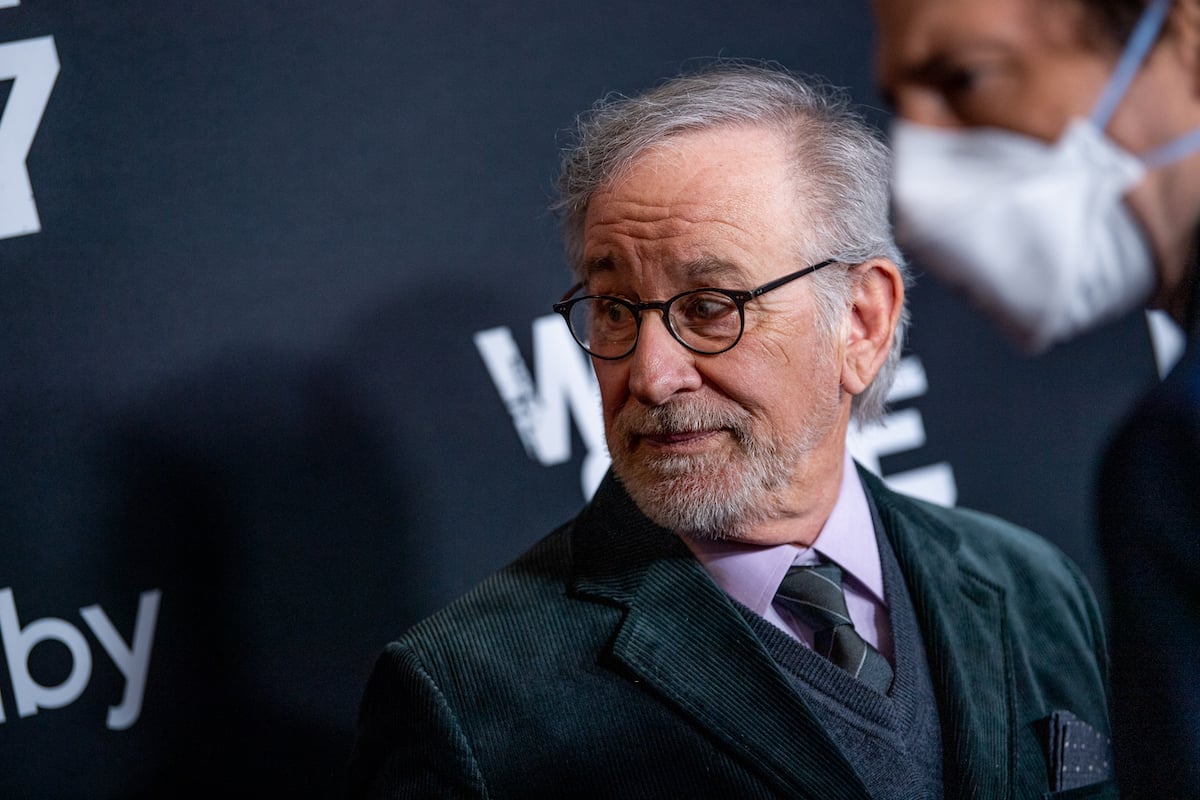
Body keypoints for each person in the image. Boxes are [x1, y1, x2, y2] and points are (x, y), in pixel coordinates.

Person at [346, 62, 1115, 799]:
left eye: (710, 307)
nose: (649, 375)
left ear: (860, 322)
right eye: (615, 309)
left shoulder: (1032, 587)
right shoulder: (469, 699)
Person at [872, 0, 1200, 795]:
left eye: (968, 80)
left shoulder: (1177, 450)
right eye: (903, 113)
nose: (913, 202)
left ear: (1183, 38)